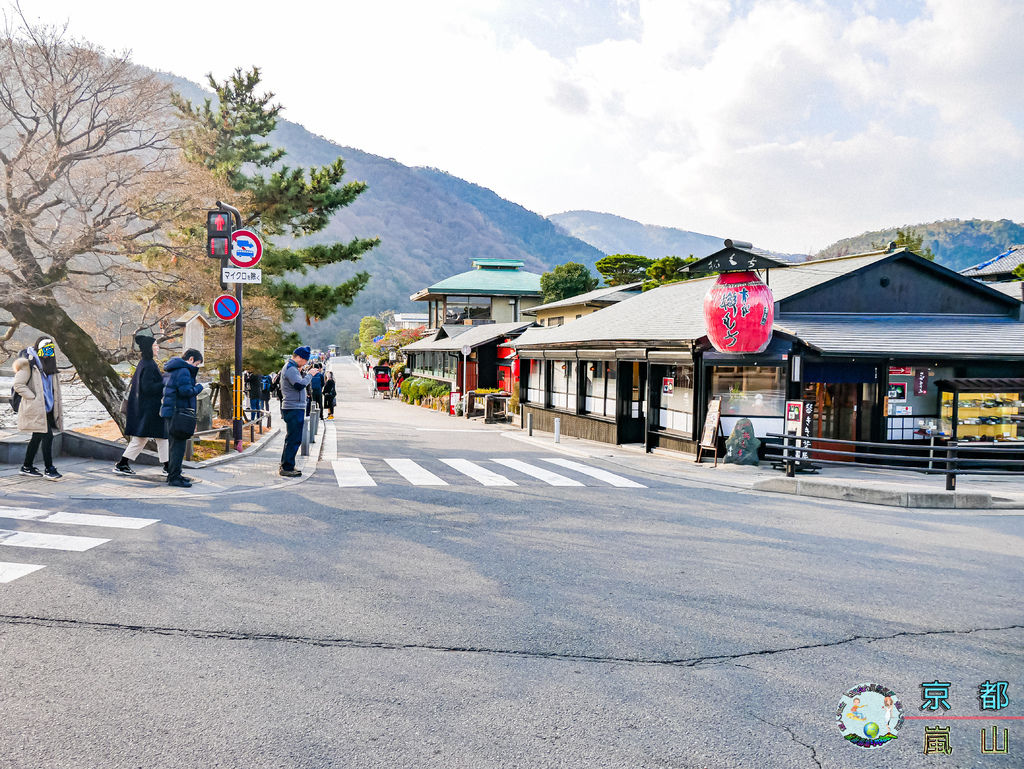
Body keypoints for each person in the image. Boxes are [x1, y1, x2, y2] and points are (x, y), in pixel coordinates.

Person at [115, 334, 169, 476]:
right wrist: (164, 381)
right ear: (149, 348)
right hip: (150, 409)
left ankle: (123, 464)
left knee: (146, 438)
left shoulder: (144, 363)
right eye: (155, 345)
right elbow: (148, 388)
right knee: (159, 437)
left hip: (145, 409)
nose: (157, 347)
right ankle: (167, 467)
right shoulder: (149, 365)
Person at [13, 337, 64, 480]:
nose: (48, 351)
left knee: (37, 437)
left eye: (50, 348)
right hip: (37, 407)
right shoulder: (28, 364)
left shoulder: (49, 364)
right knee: (47, 436)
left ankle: (26, 466)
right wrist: (34, 398)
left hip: (48, 407)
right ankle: (49, 469)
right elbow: (18, 385)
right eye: (45, 348)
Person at [160, 348, 204, 488]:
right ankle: (174, 478)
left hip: (170, 412)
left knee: (174, 446)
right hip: (179, 413)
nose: (196, 367)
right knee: (178, 447)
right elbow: (186, 391)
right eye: (197, 364)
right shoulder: (184, 370)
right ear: (191, 359)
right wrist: (198, 388)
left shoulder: (171, 369)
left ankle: (174, 474)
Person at [279, 346, 313, 477]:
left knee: (292, 438)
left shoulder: (292, 367)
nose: (304, 363)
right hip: (293, 407)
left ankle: (287, 464)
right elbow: (299, 385)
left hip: (294, 406)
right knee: (294, 438)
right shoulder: (291, 368)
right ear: (298, 357)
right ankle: (287, 467)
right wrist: (310, 375)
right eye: (304, 360)